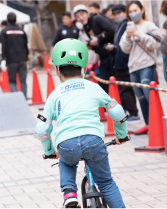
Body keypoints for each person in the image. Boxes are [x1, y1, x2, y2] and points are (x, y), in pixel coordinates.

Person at [35, 38, 127, 208]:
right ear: (84, 68)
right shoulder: (93, 87)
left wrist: (49, 151)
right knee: (106, 183)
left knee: (66, 161)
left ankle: (69, 194)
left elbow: (42, 130)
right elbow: (117, 112)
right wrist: (121, 134)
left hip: (67, 143)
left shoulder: (54, 95)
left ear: (56, 70)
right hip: (93, 140)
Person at [119, 1, 161, 134]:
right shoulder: (128, 27)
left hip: (146, 65)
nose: (133, 14)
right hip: (133, 67)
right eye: (130, 12)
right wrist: (127, 36)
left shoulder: (149, 25)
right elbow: (124, 49)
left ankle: (157, 125)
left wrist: (139, 34)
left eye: (135, 10)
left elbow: (156, 43)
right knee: (141, 99)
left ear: (142, 10)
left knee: (150, 96)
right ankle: (148, 125)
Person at [106, 4, 140, 123]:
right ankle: (132, 112)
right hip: (119, 61)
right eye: (115, 14)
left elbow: (126, 46)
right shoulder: (120, 25)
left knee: (125, 90)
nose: (117, 16)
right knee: (126, 90)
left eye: (119, 13)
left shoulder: (127, 24)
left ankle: (133, 113)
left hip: (124, 63)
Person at [74, 4, 116, 93]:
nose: (81, 18)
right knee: (103, 86)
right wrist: (90, 46)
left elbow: (111, 30)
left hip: (113, 56)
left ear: (88, 12)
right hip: (103, 57)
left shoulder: (97, 19)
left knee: (114, 86)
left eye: (82, 14)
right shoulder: (86, 26)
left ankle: (119, 106)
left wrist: (98, 38)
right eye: (78, 17)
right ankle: (107, 106)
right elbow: (96, 42)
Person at [0, 12, 29, 98]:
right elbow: (25, 46)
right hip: (22, 59)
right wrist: (26, 58)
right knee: (23, 80)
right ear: (16, 20)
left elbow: (3, 46)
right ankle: (23, 98)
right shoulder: (21, 31)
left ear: (7, 20)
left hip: (11, 60)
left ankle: (17, 98)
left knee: (12, 81)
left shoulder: (4, 31)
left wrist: (3, 58)